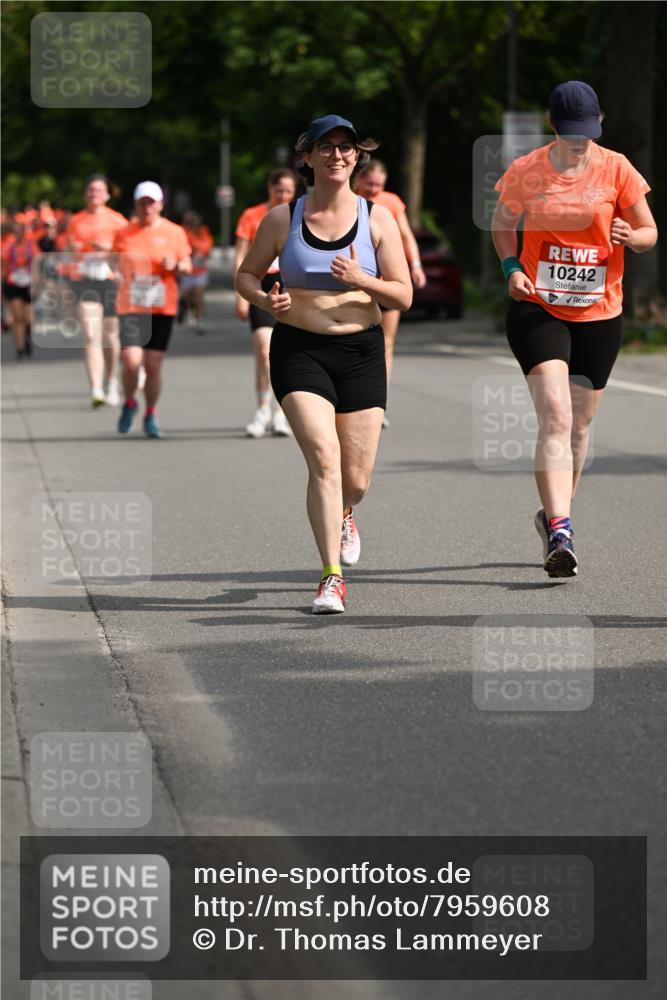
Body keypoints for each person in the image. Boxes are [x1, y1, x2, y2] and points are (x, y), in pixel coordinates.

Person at [236, 115, 412, 613]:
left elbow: (403, 295)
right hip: (299, 349)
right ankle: (331, 577)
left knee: (355, 480)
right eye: (326, 147)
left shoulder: (377, 218)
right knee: (323, 458)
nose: (337, 155)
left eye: (346, 148)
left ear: (358, 157)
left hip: (361, 353)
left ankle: (346, 510)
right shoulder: (281, 218)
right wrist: (267, 303)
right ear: (308, 157)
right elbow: (246, 276)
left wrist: (363, 278)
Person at [492, 81, 657, 578]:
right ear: (551, 125)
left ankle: (553, 514)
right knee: (557, 415)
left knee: (580, 427)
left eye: (586, 132)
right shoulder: (527, 170)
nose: (579, 141)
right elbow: (502, 223)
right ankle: (562, 529)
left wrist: (634, 236)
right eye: (570, 133)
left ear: (599, 123)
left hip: (599, 312)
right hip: (539, 308)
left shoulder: (618, 168)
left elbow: (650, 232)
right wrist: (510, 269)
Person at [112, 181, 192, 439]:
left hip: (161, 306)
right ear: (136, 204)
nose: (147, 207)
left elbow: (187, 266)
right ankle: (129, 402)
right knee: (131, 362)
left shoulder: (175, 232)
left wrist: (176, 265)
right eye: (142, 202)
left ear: (160, 204)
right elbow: (114, 264)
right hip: (131, 305)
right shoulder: (124, 233)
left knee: (153, 365)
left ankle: (150, 413)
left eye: (152, 202)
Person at [354, 160, 427, 426]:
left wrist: (416, 266)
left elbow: (407, 236)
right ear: (359, 180)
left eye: (378, 185)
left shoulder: (392, 203)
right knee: (357, 338)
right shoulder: (350, 202)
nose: (374, 190)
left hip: (388, 284)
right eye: (369, 184)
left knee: (386, 342)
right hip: (359, 282)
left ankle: (378, 403)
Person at [235, 168, 298, 438]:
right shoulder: (252, 215)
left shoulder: (300, 214)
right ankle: (262, 409)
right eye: (278, 190)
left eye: (287, 191)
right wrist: (240, 295)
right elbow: (240, 257)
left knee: (286, 352)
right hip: (260, 285)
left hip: (291, 285)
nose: (282, 195)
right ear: (269, 189)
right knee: (263, 350)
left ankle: (281, 414)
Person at [65, 175, 127, 406]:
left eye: (99, 190)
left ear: (107, 195)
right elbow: (69, 253)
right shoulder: (76, 221)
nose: (94, 194)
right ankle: (96, 388)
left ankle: (111, 381)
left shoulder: (117, 220)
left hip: (110, 280)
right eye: (90, 190)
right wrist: (70, 250)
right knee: (91, 334)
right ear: (85, 194)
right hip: (85, 279)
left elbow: (126, 252)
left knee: (110, 335)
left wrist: (109, 250)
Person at [1, 222, 36, 358]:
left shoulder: (31, 246)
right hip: (13, 284)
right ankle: (19, 347)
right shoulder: (8, 247)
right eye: (15, 232)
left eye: (20, 231)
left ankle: (27, 337)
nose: (18, 234)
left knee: (29, 320)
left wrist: (36, 283)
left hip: (28, 285)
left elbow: (37, 264)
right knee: (18, 318)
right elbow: (3, 266)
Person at [179, 211, 213, 334]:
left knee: (198, 296)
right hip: (187, 271)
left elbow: (208, 248)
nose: (194, 226)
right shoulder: (182, 232)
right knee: (188, 296)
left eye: (196, 223)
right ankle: (188, 308)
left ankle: (199, 321)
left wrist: (201, 252)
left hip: (200, 271)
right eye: (191, 223)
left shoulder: (203, 233)